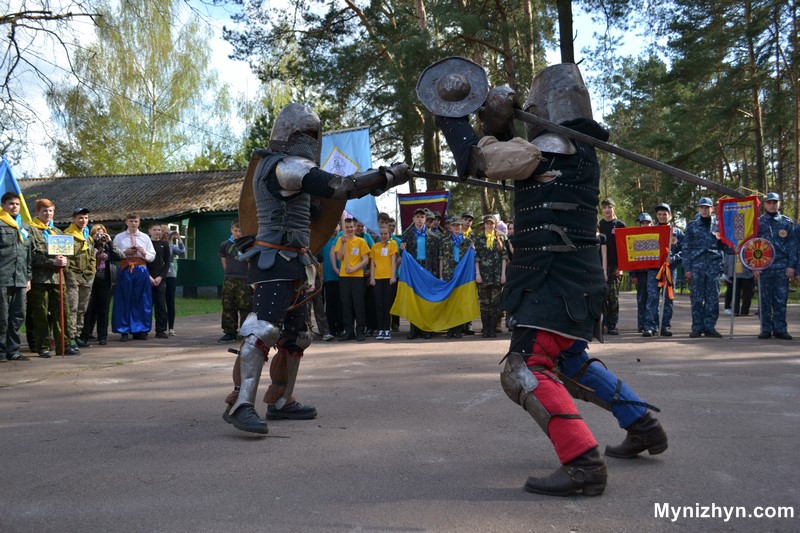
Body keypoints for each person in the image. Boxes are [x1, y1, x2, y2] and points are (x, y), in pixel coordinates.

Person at [434, 63, 666, 497]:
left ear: (542, 108)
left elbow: (480, 160)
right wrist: (496, 123)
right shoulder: (573, 148)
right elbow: (514, 153)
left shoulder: (552, 145)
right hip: (571, 278)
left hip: (550, 279)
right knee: (571, 363)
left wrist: (451, 114)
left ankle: (582, 464)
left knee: (524, 369)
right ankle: (644, 426)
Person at [222, 102, 410, 434]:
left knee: (298, 336)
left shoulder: (292, 171)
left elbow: (316, 208)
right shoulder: (283, 166)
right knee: (264, 329)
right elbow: (340, 186)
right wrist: (388, 175)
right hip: (274, 260)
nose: (311, 141)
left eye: (314, 135)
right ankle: (242, 404)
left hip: (296, 260)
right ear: (290, 135)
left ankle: (281, 399)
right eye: (307, 134)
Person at [28, 198, 76, 357]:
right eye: (44, 211)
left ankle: (64, 345)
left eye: (50, 211)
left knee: (63, 312)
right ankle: (43, 346)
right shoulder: (31, 231)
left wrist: (65, 261)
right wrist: (51, 261)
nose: (47, 214)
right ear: (37, 212)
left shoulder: (58, 232)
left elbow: (67, 255)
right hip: (40, 279)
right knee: (41, 313)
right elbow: (31, 257)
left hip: (58, 279)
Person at [682, 197, 725, 338]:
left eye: (707, 207)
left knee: (713, 298)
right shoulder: (692, 226)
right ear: (698, 209)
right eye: (702, 207)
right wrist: (687, 268)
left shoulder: (720, 226)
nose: (705, 210)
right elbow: (686, 248)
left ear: (712, 209)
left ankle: (710, 327)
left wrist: (735, 247)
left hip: (713, 265)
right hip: (697, 266)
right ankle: (697, 327)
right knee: (696, 298)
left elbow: (725, 246)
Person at [755, 192, 796, 340]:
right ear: (764, 205)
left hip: (782, 266)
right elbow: (752, 246)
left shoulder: (787, 222)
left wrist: (791, 266)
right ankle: (766, 328)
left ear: (779, 204)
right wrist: (754, 267)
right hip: (764, 267)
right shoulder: (758, 223)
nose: (772, 205)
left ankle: (780, 328)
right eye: (769, 202)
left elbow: (792, 246)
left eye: (775, 202)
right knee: (765, 299)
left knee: (781, 299)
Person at [112, 213, 155, 342]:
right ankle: (123, 329)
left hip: (141, 269)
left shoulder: (145, 237)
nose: (133, 223)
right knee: (124, 298)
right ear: (126, 222)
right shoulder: (119, 237)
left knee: (141, 299)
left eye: (136, 221)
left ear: (139, 222)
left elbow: (152, 256)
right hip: (125, 269)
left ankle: (140, 329)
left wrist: (143, 252)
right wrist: (124, 253)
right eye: (131, 221)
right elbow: (114, 254)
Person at [0, 192, 32, 362]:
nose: (14, 207)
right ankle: (1, 351)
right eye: (11, 204)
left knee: (18, 316)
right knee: (2, 316)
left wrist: (28, 277)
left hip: (20, 279)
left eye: (17, 204)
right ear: (3, 205)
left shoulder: (23, 227)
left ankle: (14, 350)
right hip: (2, 278)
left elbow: (28, 256)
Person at [645, 203, 684, 337]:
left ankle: (665, 326)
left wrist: (673, 258)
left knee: (668, 298)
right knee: (652, 297)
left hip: (669, 270)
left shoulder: (677, 232)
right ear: (656, 215)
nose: (662, 216)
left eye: (665, 214)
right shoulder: (650, 231)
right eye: (660, 214)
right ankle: (650, 326)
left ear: (670, 215)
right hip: (653, 270)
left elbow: (685, 250)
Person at [401, 207, 440, 339]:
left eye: (422, 217)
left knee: (426, 300)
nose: (420, 219)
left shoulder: (434, 237)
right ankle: (413, 329)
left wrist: (436, 273)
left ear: (425, 219)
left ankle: (425, 328)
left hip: (428, 271)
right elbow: (403, 255)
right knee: (414, 300)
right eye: (417, 217)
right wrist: (402, 249)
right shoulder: (407, 235)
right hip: (414, 271)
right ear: (413, 219)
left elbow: (436, 256)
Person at [81, 224, 123, 345]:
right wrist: (95, 254)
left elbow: (120, 256)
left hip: (106, 279)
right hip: (90, 279)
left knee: (103, 309)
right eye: (96, 234)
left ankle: (102, 336)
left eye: (102, 233)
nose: (99, 236)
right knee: (89, 308)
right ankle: (85, 334)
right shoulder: (88, 244)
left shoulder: (108, 246)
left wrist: (110, 242)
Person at [64, 208, 96, 349]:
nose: (83, 221)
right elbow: (65, 257)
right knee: (72, 306)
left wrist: (92, 271)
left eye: (86, 218)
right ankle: (70, 336)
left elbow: (92, 257)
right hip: (72, 276)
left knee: (82, 308)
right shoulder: (67, 235)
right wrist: (69, 274)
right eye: (80, 218)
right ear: (74, 219)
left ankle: (78, 334)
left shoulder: (88, 237)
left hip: (87, 276)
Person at [335, 217, 371, 342]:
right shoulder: (341, 240)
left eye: (351, 227)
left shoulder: (361, 241)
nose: (349, 229)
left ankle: (360, 331)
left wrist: (355, 268)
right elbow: (339, 257)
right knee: (346, 304)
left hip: (357, 277)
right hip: (344, 277)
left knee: (358, 304)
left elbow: (366, 259)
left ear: (355, 227)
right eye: (348, 227)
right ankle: (348, 331)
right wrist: (343, 243)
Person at [218, 220, 253, 343]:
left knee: (246, 306)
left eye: (240, 231)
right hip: (229, 279)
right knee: (228, 306)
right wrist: (228, 273)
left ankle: (246, 332)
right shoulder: (225, 245)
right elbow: (224, 262)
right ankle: (229, 332)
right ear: (231, 230)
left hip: (245, 280)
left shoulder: (249, 245)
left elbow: (251, 263)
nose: (238, 233)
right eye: (235, 231)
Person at [473, 214, 508, 338]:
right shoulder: (478, 239)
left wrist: (503, 274)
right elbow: (476, 258)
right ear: (484, 225)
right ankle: (485, 329)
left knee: (495, 303)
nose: (489, 225)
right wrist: (477, 273)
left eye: (491, 223)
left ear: (495, 225)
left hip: (496, 275)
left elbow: (504, 257)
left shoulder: (501, 238)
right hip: (483, 275)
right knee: (484, 303)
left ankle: (493, 329)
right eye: (487, 223)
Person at [439, 215, 474, 338]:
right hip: (449, 273)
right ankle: (450, 328)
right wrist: (441, 274)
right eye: (454, 225)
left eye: (458, 225)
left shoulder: (468, 241)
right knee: (449, 301)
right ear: (449, 227)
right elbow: (441, 259)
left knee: (459, 302)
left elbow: (471, 259)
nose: (456, 227)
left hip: (462, 275)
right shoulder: (444, 240)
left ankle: (458, 328)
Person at [598, 198, 625, 335]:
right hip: (600, 265)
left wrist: (621, 267)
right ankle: (604, 322)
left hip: (615, 266)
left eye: (609, 207)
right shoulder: (599, 225)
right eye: (604, 207)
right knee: (602, 296)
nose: (607, 210)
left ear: (614, 208)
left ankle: (613, 323)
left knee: (613, 296)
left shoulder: (620, 225)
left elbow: (625, 248)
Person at [369, 224, 398, 340]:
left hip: (388, 278)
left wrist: (393, 276)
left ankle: (387, 329)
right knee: (378, 304)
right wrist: (372, 277)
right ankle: (380, 329)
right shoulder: (375, 246)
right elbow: (372, 263)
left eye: (385, 233)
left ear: (389, 234)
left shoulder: (393, 244)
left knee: (387, 304)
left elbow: (394, 260)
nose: (383, 236)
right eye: (381, 234)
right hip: (377, 278)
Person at [631, 213, 653, 335]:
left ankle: (650, 324)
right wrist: (632, 274)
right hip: (640, 274)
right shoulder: (634, 237)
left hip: (653, 273)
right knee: (641, 299)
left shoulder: (655, 236)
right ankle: (641, 325)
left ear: (651, 223)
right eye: (642, 223)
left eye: (647, 223)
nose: (644, 225)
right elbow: (630, 257)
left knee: (652, 299)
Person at [147, 223, 171, 339]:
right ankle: (143, 329)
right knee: (146, 305)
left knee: (161, 305)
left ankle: (160, 330)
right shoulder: (147, 243)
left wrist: (160, 277)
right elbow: (143, 262)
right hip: (147, 278)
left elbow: (167, 262)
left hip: (160, 279)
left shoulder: (164, 244)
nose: (157, 232)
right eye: (155, 229)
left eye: (159, 230)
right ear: (149, 231)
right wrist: (149, 276)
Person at [164, 226, 185, 336]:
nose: (167, 235)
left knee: (170, 301)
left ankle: (171, 327)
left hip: (171, 274)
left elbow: (182, 252)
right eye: (165, 233)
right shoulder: (156, 245)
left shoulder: (172, 246)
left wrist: (179, 239)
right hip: (159, 274)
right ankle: (160, 327)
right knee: (158, 301)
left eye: (168, 234)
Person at [722, 250, 754, 317]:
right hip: (745, 270)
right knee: (746, 292)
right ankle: (743, 311)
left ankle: (736, 310)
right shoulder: (747, 241)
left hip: (735, 270)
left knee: (736, 292)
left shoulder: (732, 241)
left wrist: (726, 271)